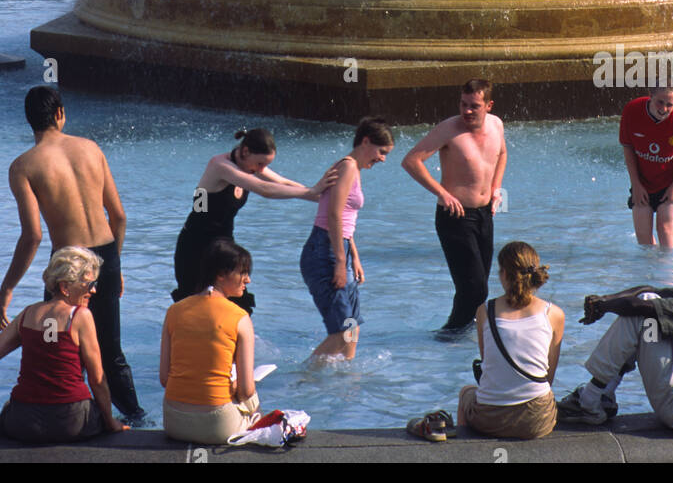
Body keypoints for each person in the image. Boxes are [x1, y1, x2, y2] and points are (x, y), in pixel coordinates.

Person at [0, 85, 144, 422]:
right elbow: (118, 216)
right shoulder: (91, 149)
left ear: (29, 121)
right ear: (60, 114)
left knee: (57, 343)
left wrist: (6, 290)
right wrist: (112, 267)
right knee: (110, 350)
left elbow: (32, 236)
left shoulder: (23, 167)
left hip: (68, 265)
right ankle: (135, 420)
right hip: (105, 253)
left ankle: (58, 414)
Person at [558, 239, 673, 431]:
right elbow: (650, 289)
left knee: (645, 314)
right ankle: (601, 392)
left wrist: (604, 307)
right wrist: (605, 299)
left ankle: (589, 401)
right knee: (651, 314)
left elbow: (640, 304)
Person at [0, 247, 126, 443]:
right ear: (65, 287)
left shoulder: (27, 314)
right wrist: (110, 421)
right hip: (71, 421)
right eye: (88, 284)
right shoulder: (80, 316)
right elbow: (96, 379)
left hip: (22, 423)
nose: (93, 290)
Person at [173, 126, 336, 308]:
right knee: (194, 306)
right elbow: (264, 189)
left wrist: (327, 199)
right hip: (195, 245)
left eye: (266, 165)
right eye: (260, 164)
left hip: (223, 244)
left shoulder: (250, 166)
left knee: (235, 304)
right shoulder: (219, 165)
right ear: (245, 151)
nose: (262, 169)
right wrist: (312, 191)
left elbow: (284, 183)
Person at [402, 79, 507, 335]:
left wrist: (496, 189)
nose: (467, 111)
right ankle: (448, 336)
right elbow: (411, 161)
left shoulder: (496, 125)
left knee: (478, 287)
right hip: (455, 217)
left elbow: (502, 154)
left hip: (485, 214)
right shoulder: (448, 130)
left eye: (474, 106)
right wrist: (442, 193)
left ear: (489, 106)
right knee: (475, 289)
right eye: (463, 104)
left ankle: (461, 337)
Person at [300, 117, 394, 362]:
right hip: (325, 250)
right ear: (365, 141)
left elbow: (346, 220)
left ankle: (344, 383)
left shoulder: (355, 169)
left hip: (339, 247)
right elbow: (333, 213)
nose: (383, 158)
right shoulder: (348, 166)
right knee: (342, 333)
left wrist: (355, 257)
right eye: (381, 152)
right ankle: (303, 380)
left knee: (353, 327)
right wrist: (341, 262)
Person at [450, 242, 563, 441]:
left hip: (488, 419)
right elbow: (548, 376)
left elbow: (487, 363)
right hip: (536, 421)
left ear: (503, 274)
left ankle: (464, 448)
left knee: (466, 392)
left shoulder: (485, 311)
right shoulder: (554, 314)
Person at [161, 239, 260, 443]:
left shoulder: (174, 311)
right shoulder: (240, 318)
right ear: (221, 274)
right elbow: (246, 390)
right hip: (218, 426)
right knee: (254, 405)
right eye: (242, 272)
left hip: (174, 422)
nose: (247, 280)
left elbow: (165, 378)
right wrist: (234, 388)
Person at [619, 85, 673, 250]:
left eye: (670, 104)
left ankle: (668, 273)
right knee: (643, 237)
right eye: (659, 102)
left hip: (669, 182)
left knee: (665, 228)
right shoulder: (632, 110)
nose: (663, 109)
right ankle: (649, 273)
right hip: (642, 181)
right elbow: (627, 147)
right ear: (650, 96)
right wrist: (636, 185)